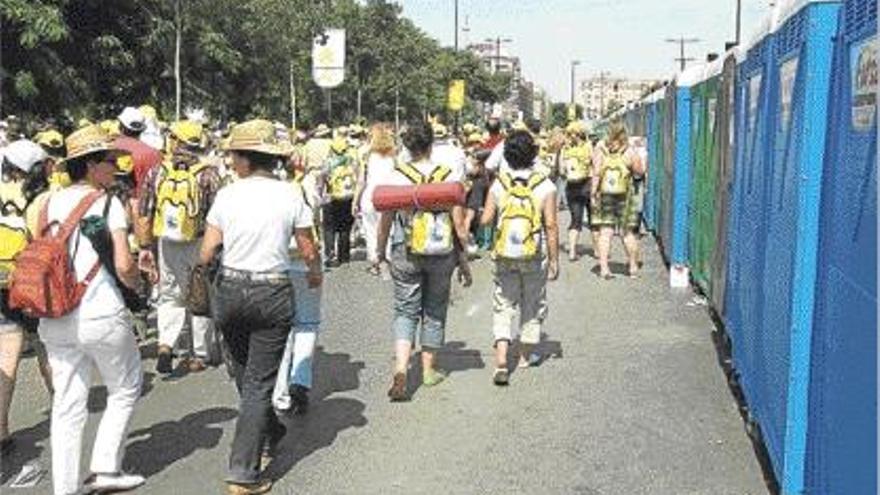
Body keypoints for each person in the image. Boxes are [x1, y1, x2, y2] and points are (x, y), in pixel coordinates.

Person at [199, 119, 321, 495]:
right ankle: (244, 471)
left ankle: (267, 434)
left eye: (234, 155)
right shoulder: (290, 194)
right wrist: (314, 273)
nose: (232, 161)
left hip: (231, 291)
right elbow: (308, 248)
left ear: (246, 159)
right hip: (272, 292)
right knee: (257, 383)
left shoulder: (227, 195)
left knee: (245, 374)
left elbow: (206, 252)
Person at [36, 125, 144, 494]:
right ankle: (104, 468)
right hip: (100, 312)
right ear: (92, 165)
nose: (116, 167)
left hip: (54, 315)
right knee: (126, 385)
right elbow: (125, 265)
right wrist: (138, 287)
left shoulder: (46, 202)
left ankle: (63, 489)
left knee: (67, 407)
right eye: (111, 161)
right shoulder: (108, 203)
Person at [376, 121, 473, 402]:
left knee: (405, 310)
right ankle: (428, 371)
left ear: (406, 147)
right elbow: (458, 225)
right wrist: (463, 259)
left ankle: (401, 369)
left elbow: (385, 220)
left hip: (405, 250)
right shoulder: (448, 175)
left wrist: (379, 252)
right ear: (432, 145)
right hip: (441, 253)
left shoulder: (397, 176)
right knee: (434, 307)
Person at [138, 120, 222, 374]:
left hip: (166, 242)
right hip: (199, 241)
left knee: (170, 296)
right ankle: (200, 353)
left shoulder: (158, 172)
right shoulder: (208, 173)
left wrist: (144, 246)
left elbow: (145, 211)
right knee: (199, 297)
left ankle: (166, 343)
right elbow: (218, 214)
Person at [480, 130, 559, 385]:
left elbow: (486, 220)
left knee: (503, 303)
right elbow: (551, 225)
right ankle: (524, 356)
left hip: (504, 253)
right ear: (533, 154)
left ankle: (501, 360)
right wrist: (555, 260)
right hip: (534, 253)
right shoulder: (545, 185)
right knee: (532, 302)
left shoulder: (499, 183)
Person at [0, 140, 53, 455]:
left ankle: (1, 429)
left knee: (5, 357)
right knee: (49, 349)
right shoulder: (43, 197)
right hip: (31, 282)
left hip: (0, 280)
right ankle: (64, 409)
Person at [591, 125, 646, 279]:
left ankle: (603, 269)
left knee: (605, 232)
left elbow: (596, 173)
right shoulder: (629, 151)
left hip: (605, 195)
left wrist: (593, 194)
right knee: (627, 233)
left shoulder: (601, 148)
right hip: (625, 196)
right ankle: (633, 267)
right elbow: (639, 171)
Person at [357, 123, 397, 276]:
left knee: (370, 229)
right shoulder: (394, 157)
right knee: (387, 229)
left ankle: (374, 261)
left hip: (370, 195)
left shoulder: (367, 157)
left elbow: (361, 181)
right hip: (388, 195)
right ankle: (385, 258)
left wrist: (356, 201)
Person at [560, 122, 594, 262]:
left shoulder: (565, 150)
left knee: (575, 220)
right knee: (594, 219)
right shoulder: (588, 147)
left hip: (572, 187)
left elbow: (561, 171)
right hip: (587, 184)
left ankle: (572, 252)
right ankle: (597, 251)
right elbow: (594, 166)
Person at [321, 136, 357, 267]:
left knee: (329, 228)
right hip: (348, 197)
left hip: (331, 198)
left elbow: (322, 179)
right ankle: (344, 256)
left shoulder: (328, 162)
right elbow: (357, 178)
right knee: (345, 227)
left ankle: (331, 256)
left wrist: (320, 194)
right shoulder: (351, 161)